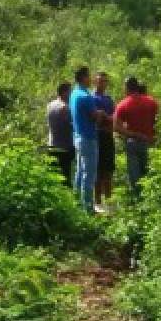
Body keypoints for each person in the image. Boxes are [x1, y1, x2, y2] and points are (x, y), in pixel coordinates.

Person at [70, 66, 107, 214]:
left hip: (78, 137)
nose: (90, 79)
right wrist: (101, 114)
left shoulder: (74, 93)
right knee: (89, 174)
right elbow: (94, 118)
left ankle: (76, 203)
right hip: (88, 138)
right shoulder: (86, 96)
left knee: (79, 172)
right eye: (89, 76)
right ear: (83, 77)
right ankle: (88, 208)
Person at [114, 77, 159, 197]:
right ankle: (150, 198)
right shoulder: (151, 102)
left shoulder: (123, 104)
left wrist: (133, 134)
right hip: (149, 142)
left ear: (127, 87)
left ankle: (137, 200)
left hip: (133, 142)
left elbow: (117, 127)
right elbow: (157, 122)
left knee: (135, 176)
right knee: (148, 173)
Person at [93, 71, 117, 213]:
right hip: (97, 137)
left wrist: (107, 118)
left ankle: (109, 203)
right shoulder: (92, 98)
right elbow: (97, 119)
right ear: (95, 82)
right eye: (100, 81)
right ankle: (97, 203)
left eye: (105, 81)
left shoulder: (108, 99)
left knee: (108, 171)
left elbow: (114, 116)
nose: (103, 84)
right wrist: (106, 119)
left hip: (108, 137)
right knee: (97, 171)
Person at [46, 82, 74, 187]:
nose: (71, 95)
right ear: (64, 92)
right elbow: (71, 126)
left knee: (53, 177)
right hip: (64, 148)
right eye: (70, 92)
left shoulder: (50, 105)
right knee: (65, 178)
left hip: (51, 145)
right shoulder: (64, 107)